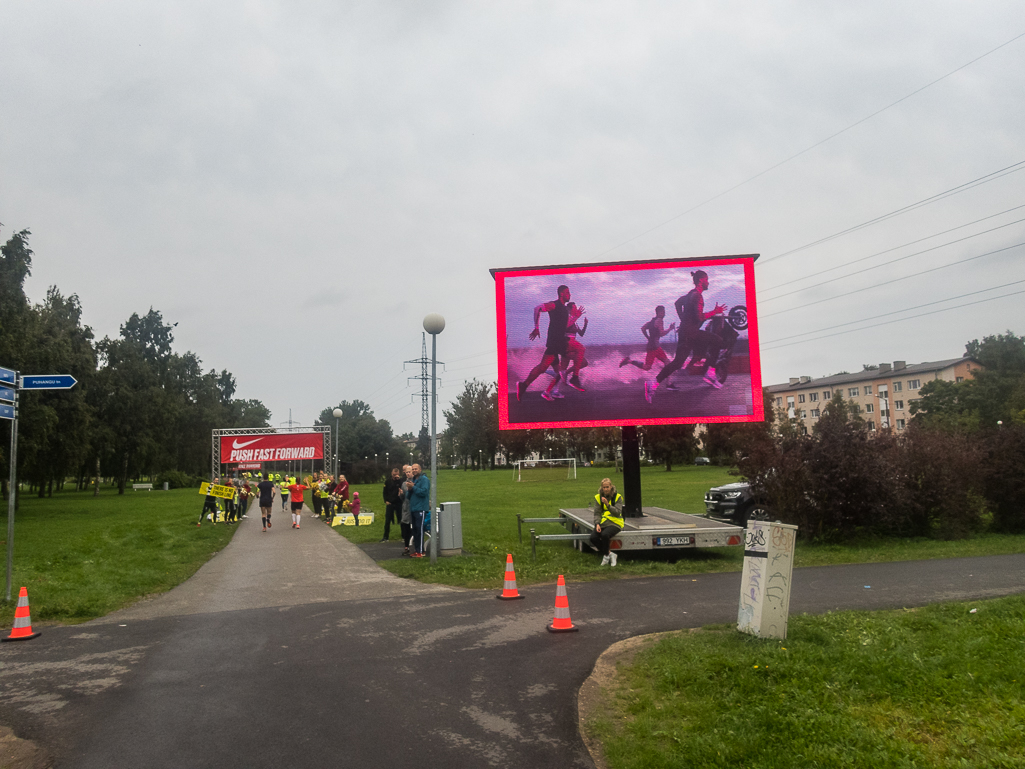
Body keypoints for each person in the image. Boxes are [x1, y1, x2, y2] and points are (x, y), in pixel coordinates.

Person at [645, 270, 727, 402]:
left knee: (678, 363)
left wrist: (683, 319)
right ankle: (710, 373)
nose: (708, 282)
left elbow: (677, 303)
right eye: (706, 279)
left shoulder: (690, 294)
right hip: (691, 333)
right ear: (701, 281)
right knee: (718, 340)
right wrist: (715, 311)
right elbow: (699, 317)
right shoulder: (697, 296)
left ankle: (653, 383)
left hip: (686, 333)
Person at [516, 284, 572, 402]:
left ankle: (544, 391)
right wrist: (536, 327)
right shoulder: (554, 304)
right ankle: (525, 386)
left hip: (557, 343)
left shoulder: (563, 308)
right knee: (572, 358)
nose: (569, 294)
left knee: (548, 369)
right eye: (567, 292)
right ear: (561, 293)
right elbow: (537, 308)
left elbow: (564, 325)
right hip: (555, 343)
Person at [621, 305, 676, 373]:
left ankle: (669, 383)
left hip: (656, 347)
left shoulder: (652, 321)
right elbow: (661, 334)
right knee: (647, 367)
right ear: (659, 312)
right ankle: (628, 361)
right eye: (663, 312)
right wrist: (670, 329)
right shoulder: (660, 320)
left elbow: (643, 328)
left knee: (667, 362)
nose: (664, 314)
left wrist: (648, 338)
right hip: (653, 348)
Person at [589, 477, 624, 567]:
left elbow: (617, 512)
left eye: (607, 487)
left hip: (615, 522)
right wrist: (597, 524)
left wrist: (608, 505)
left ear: (611, 487)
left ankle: (605, 557)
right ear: (601, 488)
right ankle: (610, 554)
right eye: (604, 487)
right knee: (593, 537)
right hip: (603, 522)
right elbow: (597, 513)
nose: (605, 489)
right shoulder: (598, 497)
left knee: (605, 535)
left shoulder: (618, 497)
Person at [408, 463, 431, 558]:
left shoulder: (424, 480)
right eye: (413, 469)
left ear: (420, 469)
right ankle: (417, 549)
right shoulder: (413, 480)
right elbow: (408, 496)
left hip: (421, 508)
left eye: (416, 469)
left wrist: (413, 487)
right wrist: (409, 490)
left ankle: (421, 551)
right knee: (415, 530)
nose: (414, 471)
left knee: (420, 529)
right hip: (413, 508)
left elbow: (424, 492)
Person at [382, 467, 403, 542]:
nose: (395, 476)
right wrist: (386, 500)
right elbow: (384, 492)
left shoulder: (400, 481)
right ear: (391, 474)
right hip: (390, 503)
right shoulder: (388, 481)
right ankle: (385, 536)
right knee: (387, 520)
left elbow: (403, 488)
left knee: (401, 520)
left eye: (396, 475)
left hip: (398, 503)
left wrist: (399, 480)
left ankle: (404, 536)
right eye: (394, 475)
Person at [398, 465, 414, 556]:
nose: (408, 473)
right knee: (405, 526)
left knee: (414, 528)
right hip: (405, 508)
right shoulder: (404, 484)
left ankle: (415, 546)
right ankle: (406, 547)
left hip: (413, 507)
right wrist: (401, 494)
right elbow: (402, 498)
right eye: (407, 472)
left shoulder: (416, 482)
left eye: (410, 471)